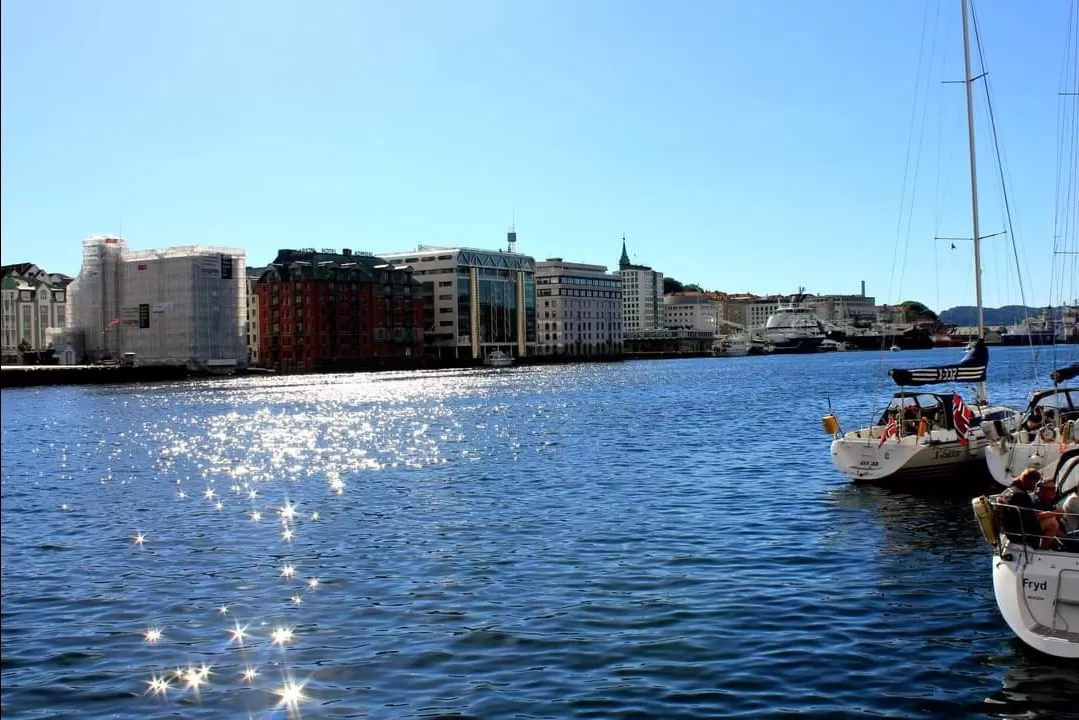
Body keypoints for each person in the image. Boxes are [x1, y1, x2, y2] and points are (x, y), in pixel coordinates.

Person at [995, 468, 1043, 548]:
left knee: (1050, 520)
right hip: (1020, 532)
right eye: (1035, 483)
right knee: (1052, 524)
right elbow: (1031, 519)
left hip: (1009, 530)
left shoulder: (1010, 490)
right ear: (1028, 480)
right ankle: (1042, 550)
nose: (1035, 486)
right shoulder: (1021, 495)